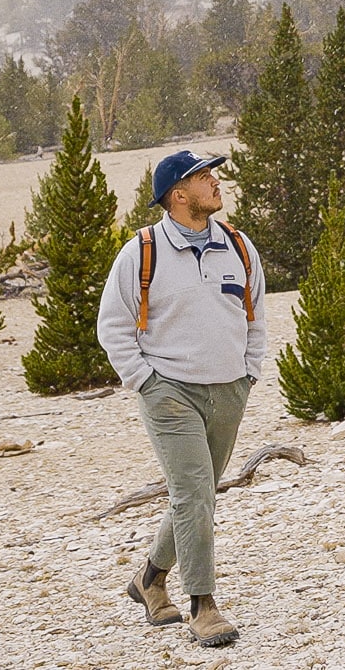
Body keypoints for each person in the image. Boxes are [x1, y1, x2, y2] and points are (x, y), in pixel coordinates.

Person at [96, 148, 267, 646]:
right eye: (203, 176)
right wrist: (145, 381)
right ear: (178, 194)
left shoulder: (238, 245)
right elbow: (113, 326)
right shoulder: (140, 253)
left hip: (230, 389)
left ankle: (148, 579)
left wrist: (248, 373)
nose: (215, 182)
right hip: (168, 391)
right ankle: (203, 606)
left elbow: (255, 316)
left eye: (213, 174)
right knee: (194, 493)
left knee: (198, 494)